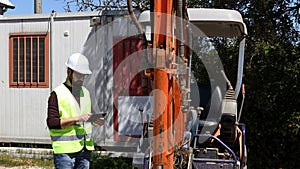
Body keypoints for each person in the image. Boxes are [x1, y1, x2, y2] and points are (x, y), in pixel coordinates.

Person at [47, 53, 104, 169]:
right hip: (65, 153)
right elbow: (52, 123)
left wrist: (95, 120)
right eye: (79, 75)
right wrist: (77, 118)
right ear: (69, 72)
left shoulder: (86, 93)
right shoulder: (57, 94)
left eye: (84, 76)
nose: (82, 79)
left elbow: (88, 115)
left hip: (84, 150)